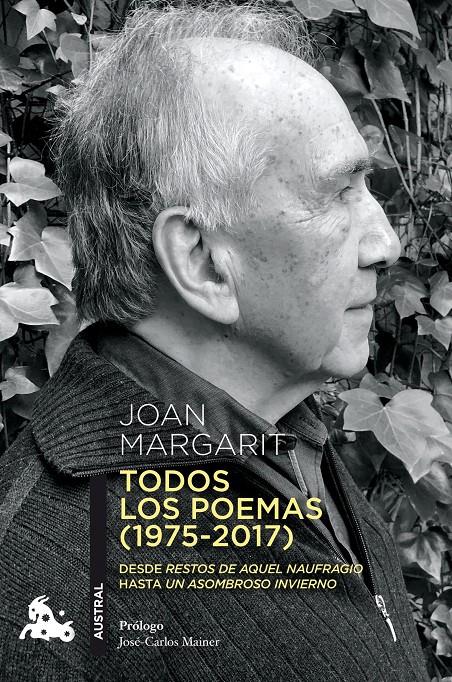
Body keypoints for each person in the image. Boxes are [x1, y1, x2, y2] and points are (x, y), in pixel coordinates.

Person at [0, 3, 428, 681]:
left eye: (366, 187)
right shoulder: (49, 583)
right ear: (201, 261)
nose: (385, 243)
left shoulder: (285, 436)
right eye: (336, 194)